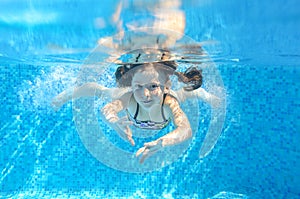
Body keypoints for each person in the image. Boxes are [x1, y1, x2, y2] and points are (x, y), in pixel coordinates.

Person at [52, 52, 221, 163]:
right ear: (131, 84)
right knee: (101, 91)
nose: (145, 94)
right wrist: (114, 121)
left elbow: (185, 128)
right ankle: (68, 94)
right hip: (128, 99)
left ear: (165, 85)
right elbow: (107, 109)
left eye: (153, 86)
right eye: (138, 86)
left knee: (187, 93)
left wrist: (163, 142)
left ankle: (202, 94)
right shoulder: (129, 97)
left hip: (170, 98)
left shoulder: (168, 102)